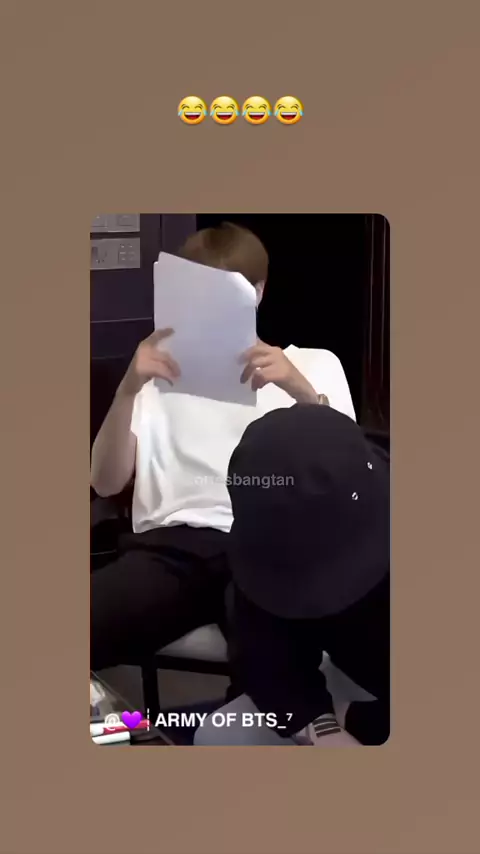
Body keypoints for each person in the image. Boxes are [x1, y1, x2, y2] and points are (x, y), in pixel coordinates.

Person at [90, 222, 356, 674]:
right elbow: (105, 482)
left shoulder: (313, 364)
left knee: (279, 666)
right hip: (173, 549)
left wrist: (302, 393)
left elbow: (352, 481)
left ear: (257, 293)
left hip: (271, 542)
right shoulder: (157, 374)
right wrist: (128, 389)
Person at [196, 403, 390, 746]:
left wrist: (360, 722)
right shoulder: (268, 532)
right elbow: (265, 657)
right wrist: (323, 728)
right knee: (218, 736)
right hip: (352, 678)